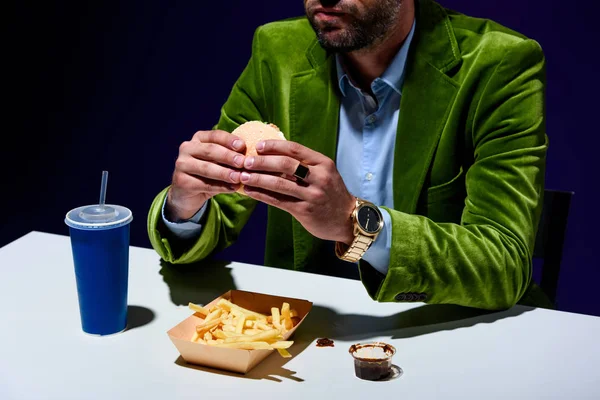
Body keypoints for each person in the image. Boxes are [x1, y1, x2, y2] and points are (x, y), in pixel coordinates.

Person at [147, 0, 549, 310]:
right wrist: (185, 207)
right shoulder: (277, 52)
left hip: (443, 328)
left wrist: (354, 223)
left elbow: (504, 263)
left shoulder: (500, 64)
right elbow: (219, 212)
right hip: (312, 333)